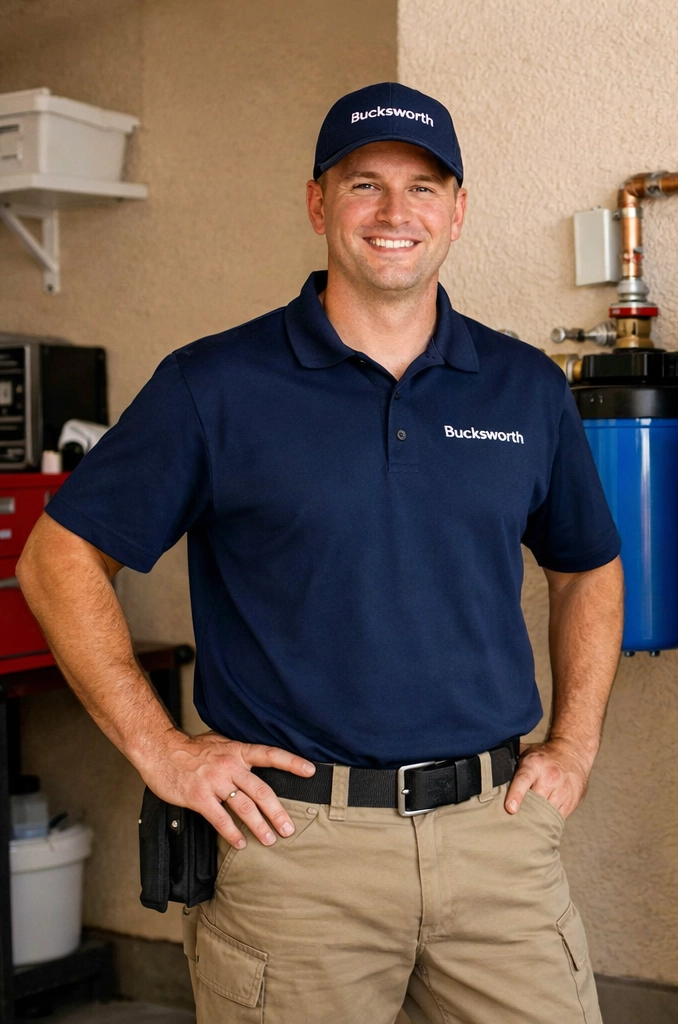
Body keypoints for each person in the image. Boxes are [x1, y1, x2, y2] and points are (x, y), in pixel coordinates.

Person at [17, 82, 623, 1023]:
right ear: (317, 203)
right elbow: (58, 560)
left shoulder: (524, 388)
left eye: (424, 188)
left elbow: (587, 564)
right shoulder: (214, 386)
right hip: (296, 856)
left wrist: (575, 745)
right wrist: (163, 751)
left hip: (495, 844)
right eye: (364, 185)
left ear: (458, 212)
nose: (395, 213)